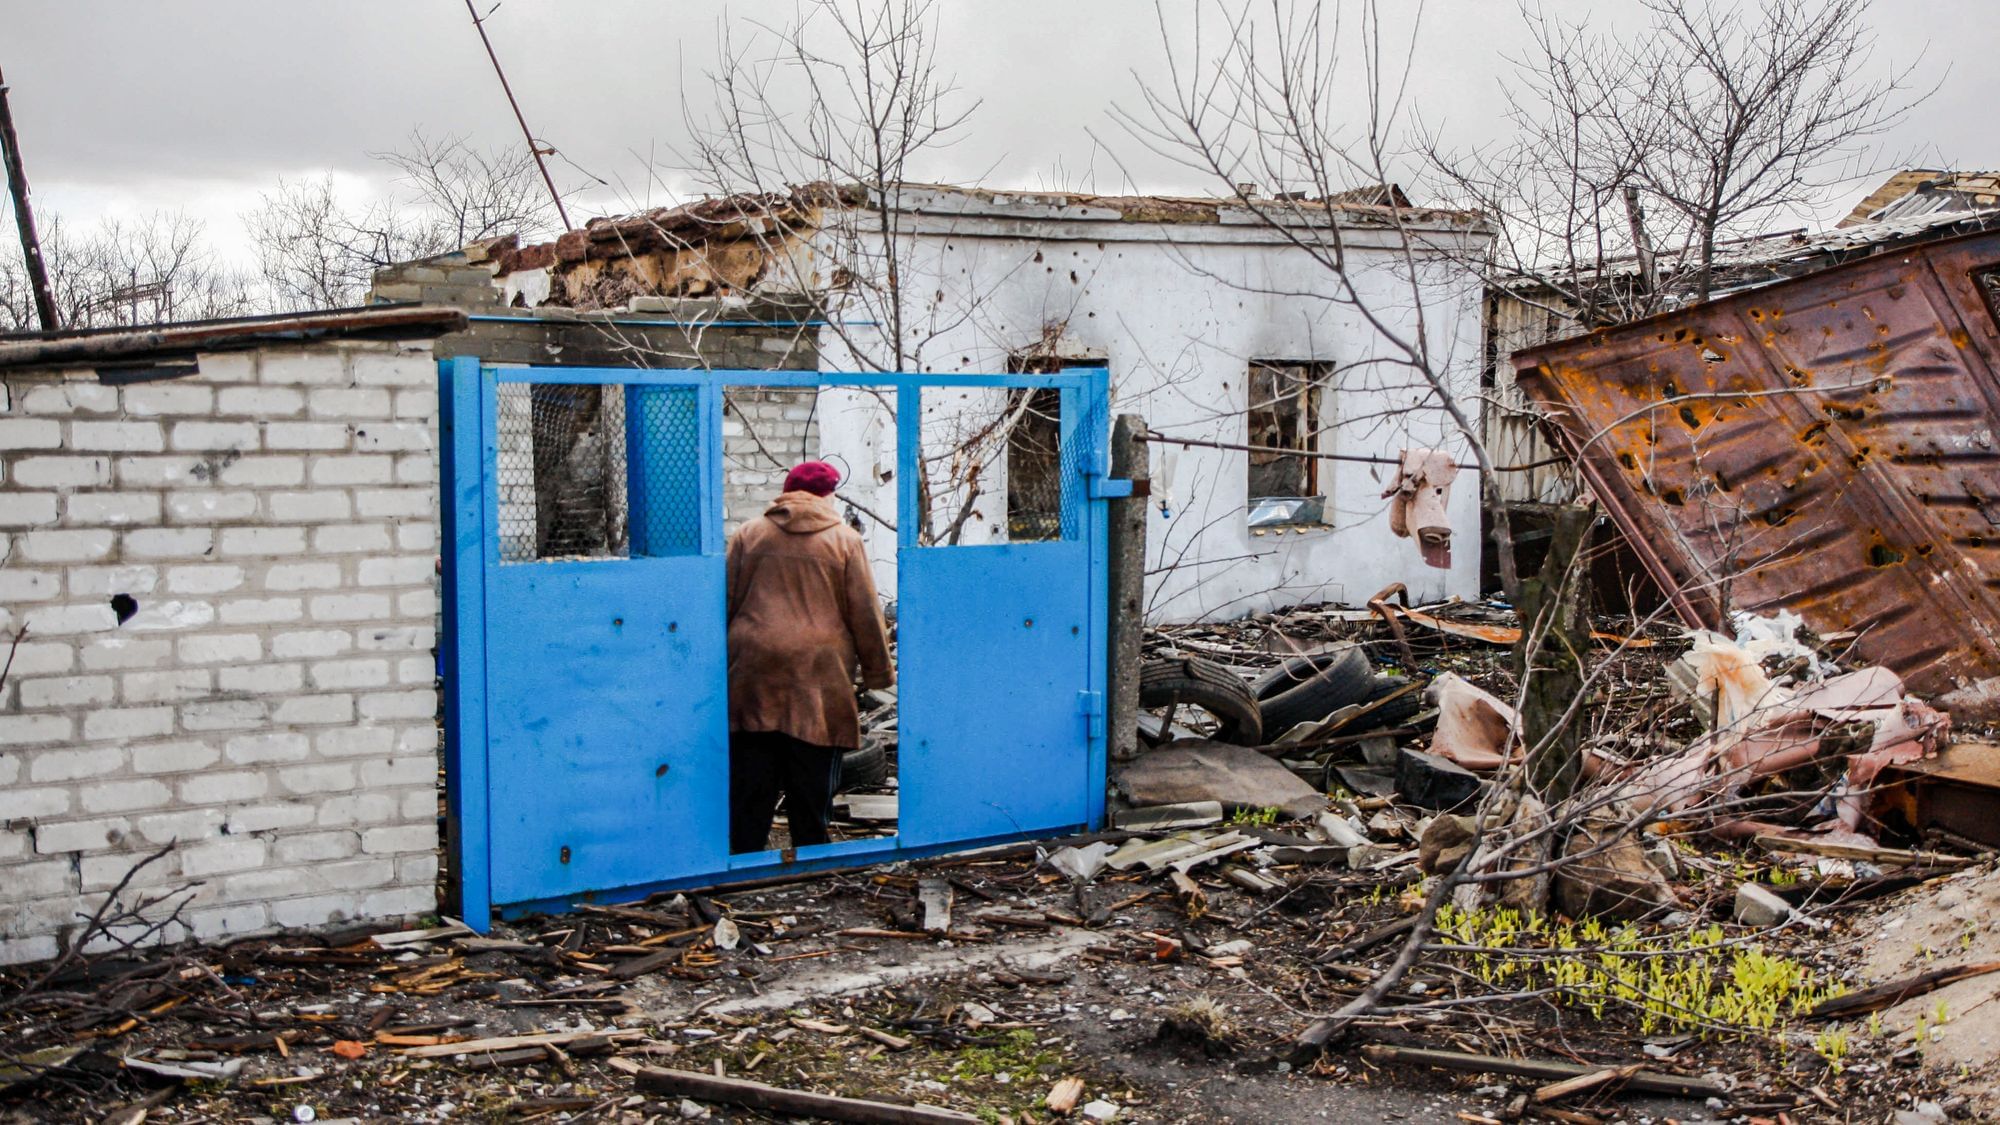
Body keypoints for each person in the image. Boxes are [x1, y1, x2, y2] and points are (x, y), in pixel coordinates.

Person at [726, 461, 894, 854]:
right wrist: (878, 673)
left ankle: (745, 855)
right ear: (828, 494)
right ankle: (811, 852)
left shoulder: (748, 534)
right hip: (818, 672)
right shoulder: (844, 540)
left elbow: (725, 600)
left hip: (754, 667)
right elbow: (865, 612)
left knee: (753, 773)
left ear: (786, 493)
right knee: (813, 770)